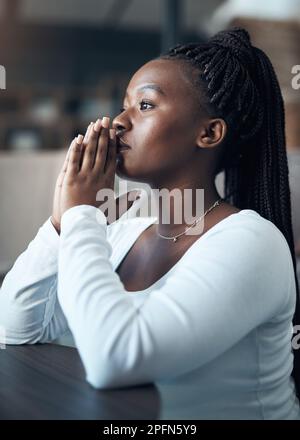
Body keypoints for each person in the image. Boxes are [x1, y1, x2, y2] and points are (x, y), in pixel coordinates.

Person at [1, 28, 300, 420]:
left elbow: (116, 359)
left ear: (209, 133)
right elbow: (13, 329)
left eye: (144, 105)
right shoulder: (120, 230)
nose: (119, 122)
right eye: (123, 104)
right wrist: (60, 225)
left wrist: (80, 216)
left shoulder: (252, 243)